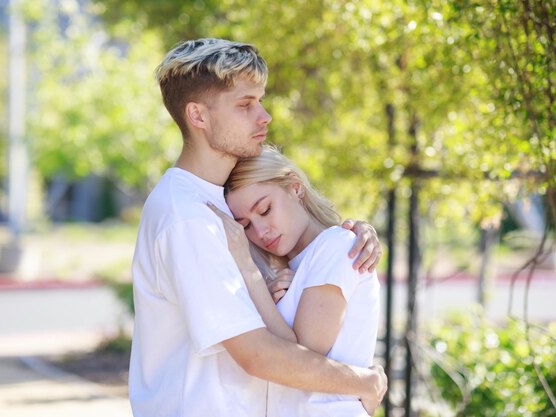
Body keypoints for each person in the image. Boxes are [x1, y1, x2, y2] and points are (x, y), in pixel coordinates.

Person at [129, 38, 386, 417]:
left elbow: (308, 251)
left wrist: (349, 233)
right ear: (198, 116)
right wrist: (363, 381)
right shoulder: (188, 217)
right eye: (246, 105)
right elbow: (258, 355)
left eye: (260, 101)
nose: (264, 116)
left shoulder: (219, 204)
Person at [209, 145, 381, 417]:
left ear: (295, 187)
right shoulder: (287, 273)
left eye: (265, 210)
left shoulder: (338, 246)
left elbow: (301, 359)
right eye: (245, 226)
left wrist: (246, 268)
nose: (261, 231)